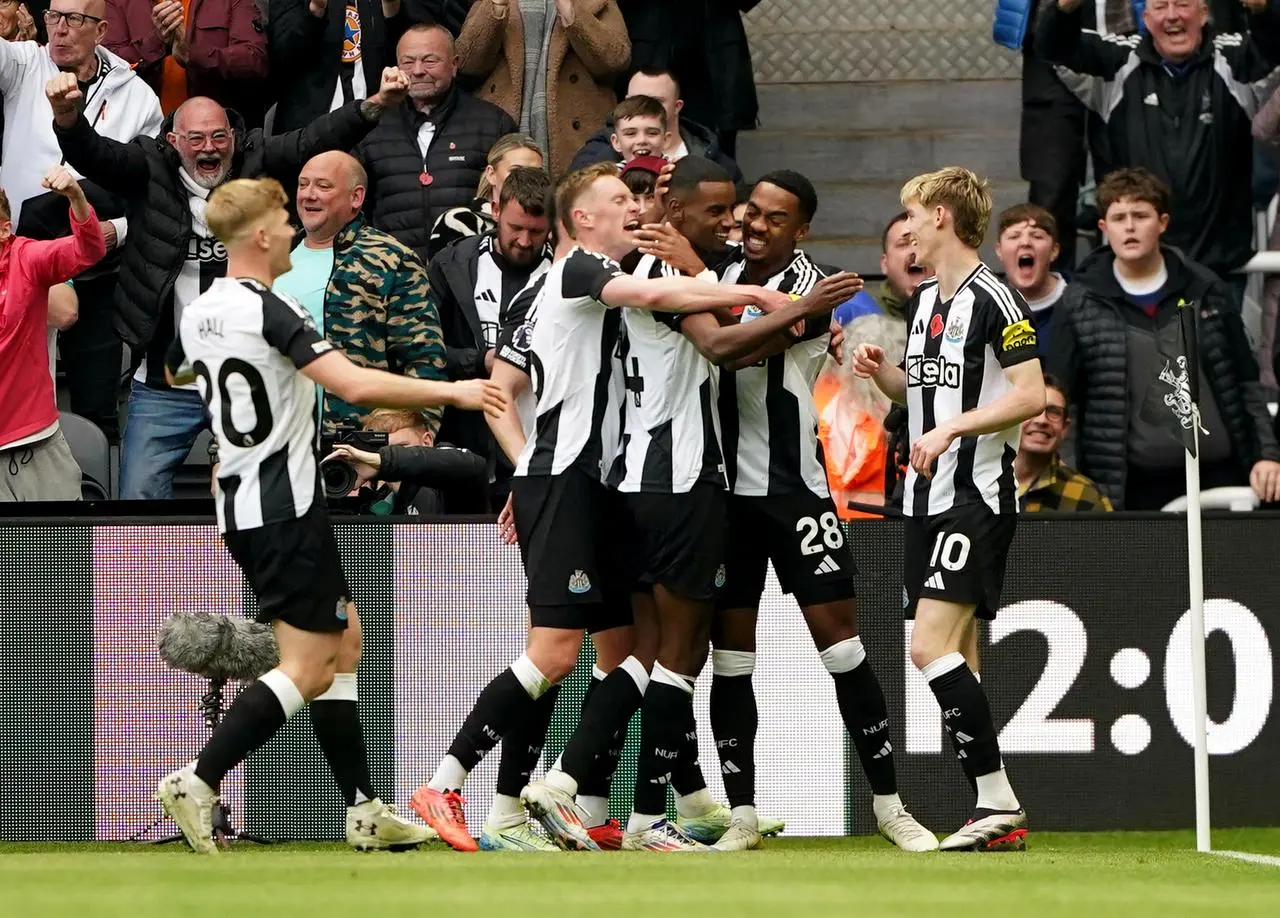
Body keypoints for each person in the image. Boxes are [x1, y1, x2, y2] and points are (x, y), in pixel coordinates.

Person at [410, 161, 796, 853]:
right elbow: (644, 297)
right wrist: (763, 297)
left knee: (626, 651)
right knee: (554, 654)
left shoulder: (586, 291)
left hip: (594, 484)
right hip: (565, 480)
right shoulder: (583, 269)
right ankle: (446, 780)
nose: (633, 207)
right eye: (619, 199)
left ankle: (562, 808)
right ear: (582, 218)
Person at [154, 176, 505, 856]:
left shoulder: (199, 309)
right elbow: (352, 383)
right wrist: (455, 391)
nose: (291, 229)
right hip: (283, 503)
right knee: (310, 664)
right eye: (283, 219)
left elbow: (178, 374)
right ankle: (197, 779)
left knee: (344, 641)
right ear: (259, 235)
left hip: (248, 499)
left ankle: (364, 810)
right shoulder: (270, 306)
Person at [604, 159, 864, 852]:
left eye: (753, 213)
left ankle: (621, 802)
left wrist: (790, 306)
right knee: (684, 657)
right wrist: (789, 305)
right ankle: (659, 811)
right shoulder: (685, 277)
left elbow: (747, 331)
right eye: (730, 210)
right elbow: (724, 345)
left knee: (655, 655)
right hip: (693, 484)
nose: (740, 222)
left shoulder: (702, 275)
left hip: (738, 484)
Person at [700, 170, 936, 853]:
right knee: (732, 660)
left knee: (843, 648)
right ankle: (742, 812)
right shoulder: (717, 273)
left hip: (794, 489)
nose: (757, 224)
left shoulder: (822, 286)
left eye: (777, 218)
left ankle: (890, 805)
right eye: (754, 212)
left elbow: (746, 346)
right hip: (722, 494)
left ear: (800, 229)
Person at [47, 65, 410, 500]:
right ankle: (145, 572)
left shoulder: (258, 159)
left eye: (219, 137)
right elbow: (96, 155)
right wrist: (68, 118)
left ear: (234, 138)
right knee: (137, 501)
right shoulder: (146, 166)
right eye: (196, 139)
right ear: (173, 141)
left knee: (256, 504)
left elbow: (315, 137)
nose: (209, 148)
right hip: (165, 383)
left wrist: (373, 106)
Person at [852, 166, 1046, 852]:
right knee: (960, 653)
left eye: (911, 216)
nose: (903, 231)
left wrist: (953, 429)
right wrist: (885, 377)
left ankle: (997, 800)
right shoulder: (929, 301)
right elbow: (927, 395)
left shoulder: (997, 299)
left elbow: (1031, 395)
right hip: (925, 500)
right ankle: (991, 812)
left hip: (975, 497)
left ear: (940, 217)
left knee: (927, 646)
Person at [1047, 167, 1280, 509]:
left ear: (1163, 222)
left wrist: (1267, 454)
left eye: (1140, 215)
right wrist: (1067, 467)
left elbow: (1246, 382)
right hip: (1129, 486)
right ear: (1103, 228)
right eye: (1119, 217)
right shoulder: (1080, 301)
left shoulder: (1206, 288)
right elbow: (1062, 397)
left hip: (1221, 474)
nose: (1129, 226)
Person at [1036, 0, 1280, 292]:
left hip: (1217, 273)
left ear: (1204, 13)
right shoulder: (1117, 63)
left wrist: (1264, 10)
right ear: (1146, 18)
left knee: (1200, 338)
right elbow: (1053, 49)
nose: (1173, 16)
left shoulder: (1235, 60)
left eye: (1182, 4)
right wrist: (1064, 9)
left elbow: (1274, 50)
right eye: (1161, 7)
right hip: (1137, 274)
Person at [2, 0, 163, 442]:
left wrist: (120, 232)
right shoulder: (23, 64)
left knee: (96, 404)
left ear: (102, 29)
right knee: (20, 402)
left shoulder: (137, 96)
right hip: (22, 263)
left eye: (75, 19)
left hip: (97, 264)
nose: (60, 29)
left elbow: (154, 192)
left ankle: (95, 508)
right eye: (54, 17)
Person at [274, 150, 449, 439]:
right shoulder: (269, 257)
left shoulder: (391, 260)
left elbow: (424, 362)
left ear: (356, 197)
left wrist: (412, 447)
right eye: (303, 184)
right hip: (274, 450)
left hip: (357, 452)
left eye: (323, 186)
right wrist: (222, 451)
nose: (308, 195)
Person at [431, 165, 553, 510]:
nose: (525, 241)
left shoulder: (563, 273)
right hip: (464, 440)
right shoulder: (452, 263)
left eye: (536, 231)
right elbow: (424, 349)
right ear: (495, 210)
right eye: (515, 228)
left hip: (537, 438)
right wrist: (478, 360)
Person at [356, 22, 519, 263]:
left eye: (430, 61)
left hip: (470, 271)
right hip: (393, 275)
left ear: (454, 65)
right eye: (408, 62)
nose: (418, 70)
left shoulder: (493, 124)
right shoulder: (373, 126)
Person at [0, 167, 106, 502]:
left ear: (4, 230)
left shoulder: (26, 258)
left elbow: (89, 250)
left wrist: (77, 197)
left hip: (36, 443)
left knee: (61, 553)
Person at [456, 0, 630, 176]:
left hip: (575, 134)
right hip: (505, 127)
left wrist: (572, 14)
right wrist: (495, 7)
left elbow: (616, 59)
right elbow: (466, 62)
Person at [103, 0, 268, 124]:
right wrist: (157, 41)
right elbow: (104, 66)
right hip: (142, 136)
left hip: (216, 137)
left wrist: (195, 56)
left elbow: (255, 60)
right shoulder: (118, 2)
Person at [267, 0, 411, 135]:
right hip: (309, 125)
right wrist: (316, 9)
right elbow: (282, 58)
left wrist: (391, 7)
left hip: (378, 123)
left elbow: (412, 58)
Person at [567, 68, 742, 179]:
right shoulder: (595, 154)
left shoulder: (712, 156)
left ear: (677, 106)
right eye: (637, 100)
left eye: (656, 102)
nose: (645, 109)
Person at [325, 407, 490, 514]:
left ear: (427, 441)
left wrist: (385, 461)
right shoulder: (381, 501)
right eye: (379, 451)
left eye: (401, 447)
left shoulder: (453, 468)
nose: (384, 456)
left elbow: (475, 466)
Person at [425, 131, 543, 261]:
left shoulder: (550, 224)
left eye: (534, 173)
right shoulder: (460, 221)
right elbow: (441, 274)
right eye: (516, 171)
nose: (525, 179)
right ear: (491, 174)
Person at [994, 203, 1083, 358]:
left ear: (1054, 251)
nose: (1025, 243)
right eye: (1014, 236)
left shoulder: (1083, 304)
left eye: (1037, 236)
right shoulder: (986, 306)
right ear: (999, 250)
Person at [1016, 374, 1113, 512]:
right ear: (1011, 421)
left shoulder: (1087, 496)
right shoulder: (979, 483)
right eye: (1032, 410)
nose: (1041, 420)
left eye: (1053, 412)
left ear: (1065, 428)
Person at [876, 212, 933, 321]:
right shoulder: (867, 317)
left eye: (921, 242)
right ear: (885, 264)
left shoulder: (959, 311)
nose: (914, 250)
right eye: (903, 244)